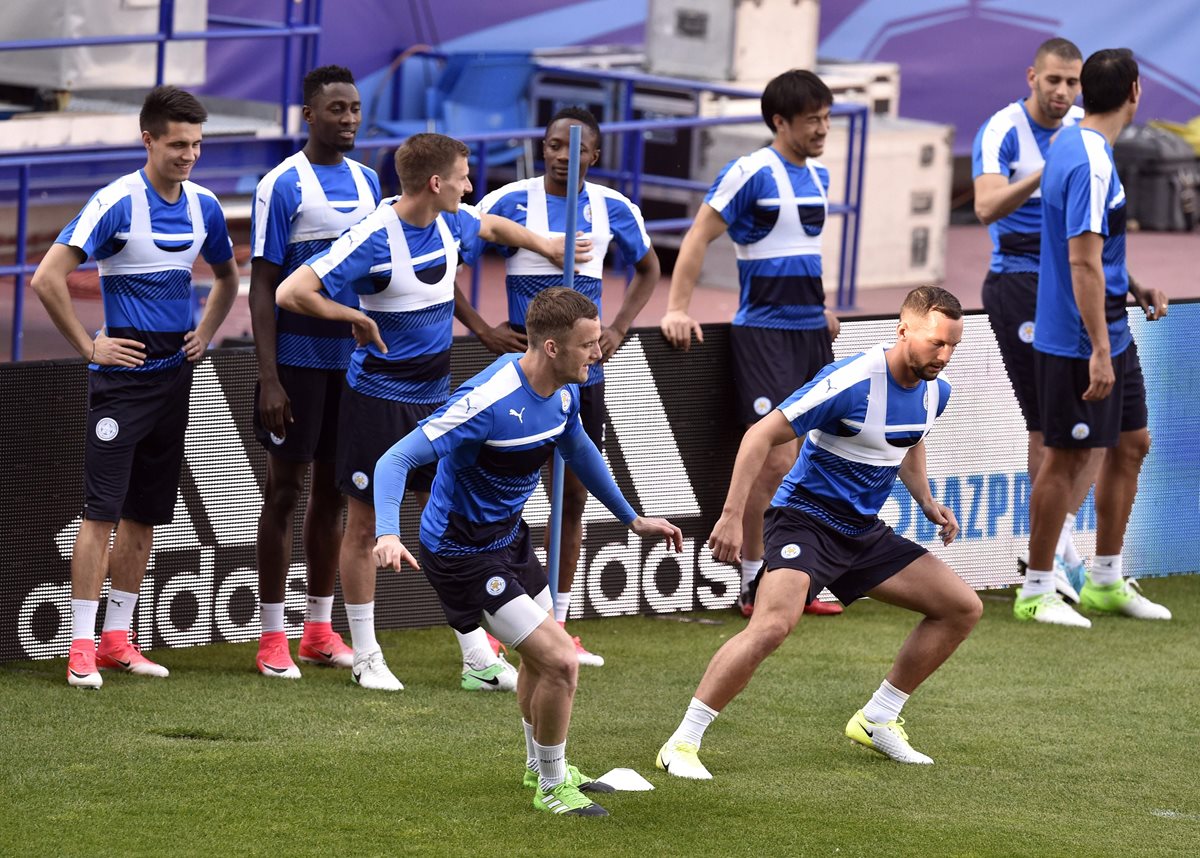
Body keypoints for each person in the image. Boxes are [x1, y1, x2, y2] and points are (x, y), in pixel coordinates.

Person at [276, 133, 588, 692]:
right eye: (465, 178)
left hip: (436, 398)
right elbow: (291, 291)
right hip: (376, 402)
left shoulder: (454, 220)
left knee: (441, 523)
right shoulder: (373, 235)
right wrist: (355, 315)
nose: (472, 188)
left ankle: (475, 655)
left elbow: (492, 228)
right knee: (367, 524)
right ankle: (368, 656)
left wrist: (545, 245)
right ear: (436, 183)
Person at [372, 287, 683, 816]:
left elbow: (578, 449)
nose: (599, 352)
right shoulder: (486, 401)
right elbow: (394, 460)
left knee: (541, 662)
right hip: (461, 552)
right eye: (589, 344)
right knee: (562, 661)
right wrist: (386, 532)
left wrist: (632, 516)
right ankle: (553, 786)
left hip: (508, 541)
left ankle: (540, 769)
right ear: (554, 349)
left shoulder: (565, 392)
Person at [658, 286, 982, 778]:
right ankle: (681, 743)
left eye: (953, 346)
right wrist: (730, 514)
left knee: (961, 608)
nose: (945, 355)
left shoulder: (937, 390)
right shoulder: (851, 380)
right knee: (772, 625)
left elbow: (910, 443)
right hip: (804, 521)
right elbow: (760, 434)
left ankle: (877, 719)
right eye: (937, 343)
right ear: (903, 331)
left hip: (862, 532)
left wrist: (927, 500)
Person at [30, 86, 239, 688]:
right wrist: (89, 346)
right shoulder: (116, 201)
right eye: (177, 144)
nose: (189, 155)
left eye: (197, 144)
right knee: (101, 514)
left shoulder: (203, 205)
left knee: (147, 514)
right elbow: (48, 278)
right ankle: (81, 646)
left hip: (178, 374)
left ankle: (120, 641)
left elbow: (227, 278)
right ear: (147, 139)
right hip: (122, 380)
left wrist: (206, 330)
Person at [476, 106, 661, 666]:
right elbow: (457, 247)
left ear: (593, 155)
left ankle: (558, 622)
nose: (562, 155)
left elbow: (648, 268)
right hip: (519, 382)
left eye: (574, 148)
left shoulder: (613, 208)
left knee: (573, 498)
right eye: (553, 145)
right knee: (498, 501)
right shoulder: (508, 201)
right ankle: (495, 624)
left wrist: (621, 327)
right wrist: (483, 326)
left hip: (585, 380)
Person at [659, 69, 843, 618]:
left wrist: (822, 305)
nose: (823, 129)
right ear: (780, 121)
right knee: (777, 459)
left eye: (827, 118)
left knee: (814, 461)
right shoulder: (750, 171)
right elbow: (697, 235)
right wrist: (675, 308)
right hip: (763, 333)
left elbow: (802, 249)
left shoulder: (820, 177)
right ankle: (751, 584)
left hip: (810, 332)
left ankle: (793, 577)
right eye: (813, 120)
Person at [1018, 48, 1171, 627]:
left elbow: (1098, 252)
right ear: (1136, 90)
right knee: (1067, 458)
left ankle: (1106, 578)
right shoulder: (1089, 161)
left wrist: (1132, 284)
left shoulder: (1076, 143)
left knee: (1133, 443)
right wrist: (1100, 351)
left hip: (1110, 323)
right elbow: (1081, 264)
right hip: (1080, 340)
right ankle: (1037, 589)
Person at [248, 65, 381, 680]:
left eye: (354, 108)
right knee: (283, 494)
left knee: (334, 497)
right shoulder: (281, 185)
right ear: (309, 114)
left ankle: (318, 630)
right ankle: (272, 636)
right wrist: (269, 377)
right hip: (296, 369)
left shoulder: (371, 182)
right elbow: (263, 287)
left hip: (351, 370)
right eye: (336, 109)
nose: (349, 118)